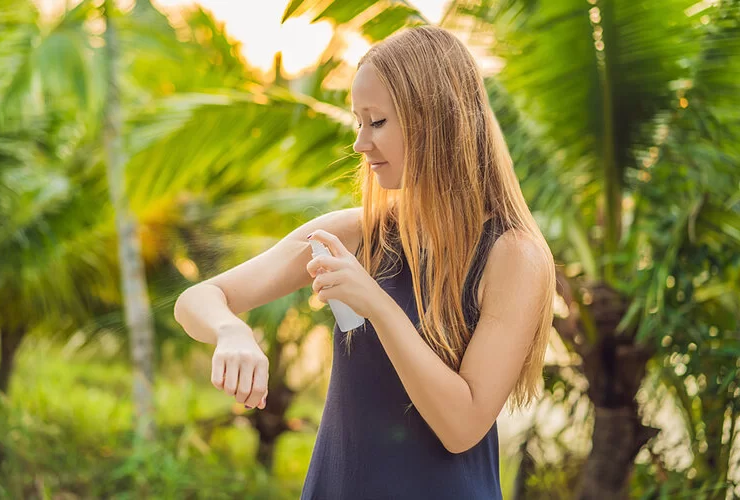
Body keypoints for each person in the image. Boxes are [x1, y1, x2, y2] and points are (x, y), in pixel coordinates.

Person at [174, 24, 555, 500]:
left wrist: (376, 303)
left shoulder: (513, 256)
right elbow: (199, 298)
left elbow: (463, 426)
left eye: (377, 122)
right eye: (358, 121)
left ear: (435, 120)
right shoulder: (357, 234)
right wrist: (231, 332)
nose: (360, 143)